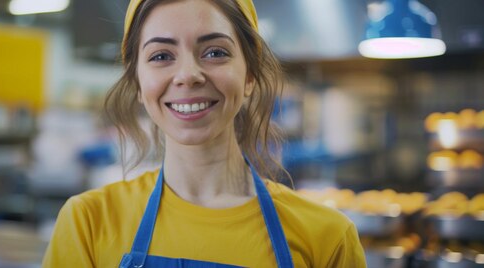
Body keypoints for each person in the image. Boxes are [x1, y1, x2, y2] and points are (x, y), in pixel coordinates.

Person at [42, 0, 367, 267]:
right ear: (138, 85)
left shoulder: (328, 237)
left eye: (215, 52)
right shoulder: (88, 223)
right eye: (161, 56)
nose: (187, 75)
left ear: (250, 76)